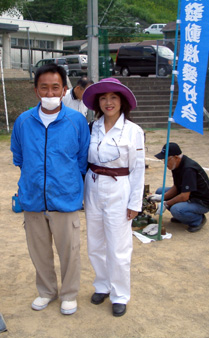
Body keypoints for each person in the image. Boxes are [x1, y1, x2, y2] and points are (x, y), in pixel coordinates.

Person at [10, 63, 90, 315]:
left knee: (70, 251)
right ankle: (46, 291)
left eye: (55, 87)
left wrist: (68, 183)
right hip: (33, 198)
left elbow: (82, 159)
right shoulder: (24, 121)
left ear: (64, 89)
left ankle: (68, 294)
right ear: (36, 91)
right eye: (44, 87)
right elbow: (19, 157)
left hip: (64, 199)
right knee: (39, 251)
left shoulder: (76, 121)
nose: (49, 93)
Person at [82, 78, 145, 317]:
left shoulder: (133, 131)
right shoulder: (92, 127)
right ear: (98, 102)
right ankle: (102, 284)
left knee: (119, 247)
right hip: (94, 186)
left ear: (122, 101)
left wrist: (135, 203)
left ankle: (120, 294)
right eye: (103, 98)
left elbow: (138, 168)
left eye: (114, 97)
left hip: (120, 189)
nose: (108, 102)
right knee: (95, 243)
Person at [149, 142, 209, 233]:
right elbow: (177, 187)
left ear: (176, 157)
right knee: (160, 191)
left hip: (201, 201)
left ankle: (198, 220)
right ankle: (183, 216)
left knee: (177, 210)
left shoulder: (188, 169)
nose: (165, 163)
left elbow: (184, 196)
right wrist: (161, 197)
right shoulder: (176, 165)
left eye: (166, 159)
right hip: (189, 195)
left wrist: (166, 203)